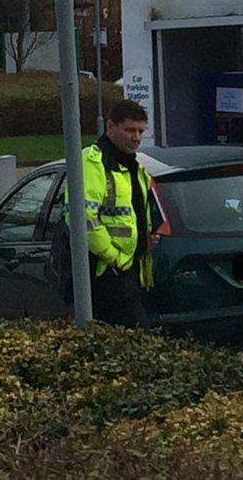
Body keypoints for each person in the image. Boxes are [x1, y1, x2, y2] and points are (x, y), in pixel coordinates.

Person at [66, 99, 159, 327]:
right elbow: (82, 218)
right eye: (129, 130)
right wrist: (113, 257)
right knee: (137, 336)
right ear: (110, 127)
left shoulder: (134, 167)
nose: (136, 138)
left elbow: (133, 214)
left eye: (140, 131)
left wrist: (145, 240)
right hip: (106, 272)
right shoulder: (93, 162)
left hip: (131, 269)